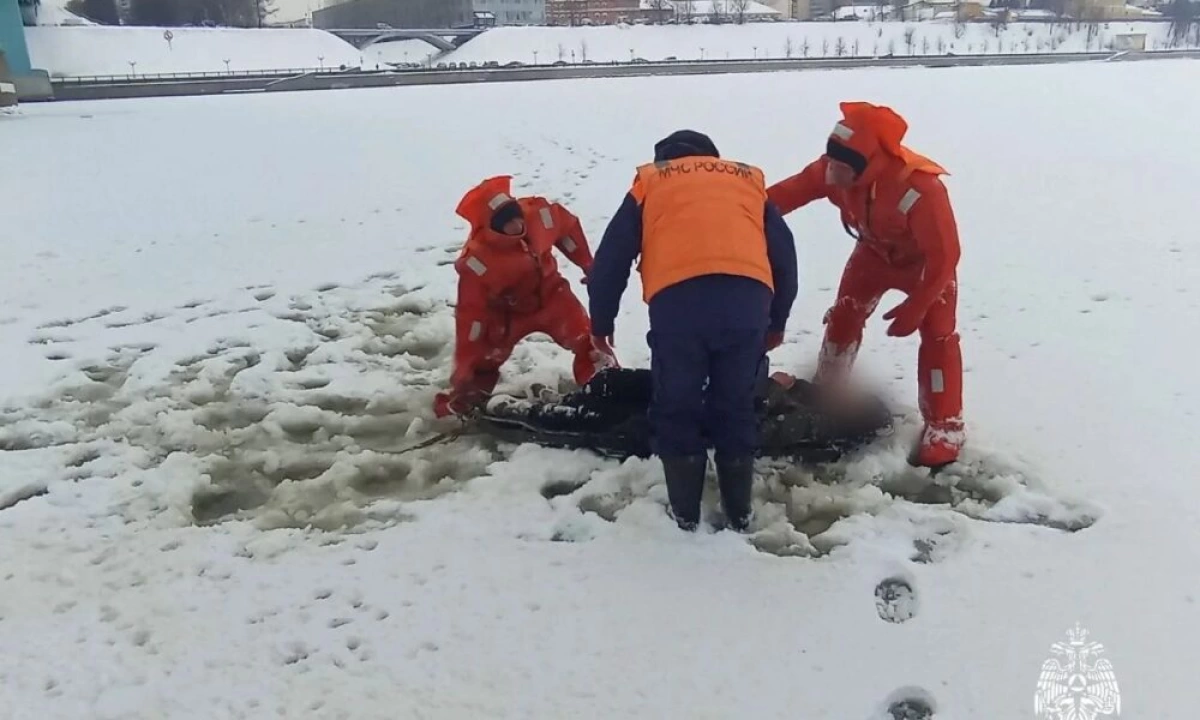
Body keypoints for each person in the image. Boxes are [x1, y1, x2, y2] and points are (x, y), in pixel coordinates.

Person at [587, 130, 798, 532]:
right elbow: (785, 257)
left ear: (666, 158)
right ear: (712, 158)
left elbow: (610, 260)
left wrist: (601, 324)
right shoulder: (747, 181)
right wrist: (777, 321)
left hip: (679, 301)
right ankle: (739, 513)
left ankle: (685, 514)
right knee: (736, 403)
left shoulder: (651, 181)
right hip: (747, 297)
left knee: (677, 403)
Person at [766, 101, 964, 468]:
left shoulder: (921, 189)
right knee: (844, 317)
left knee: (938, 336)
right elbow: (779, 197)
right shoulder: (831, 171)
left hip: (923, 266)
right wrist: (735, 208)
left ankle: (945, 425)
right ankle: (828, 390)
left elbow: (945, 256)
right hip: (872, 255)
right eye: (832, 162)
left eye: (843, 167)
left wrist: (918, 304)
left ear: (869, 165)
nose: (833, 172)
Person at [434, 175, 618, 419]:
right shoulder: (476, 261)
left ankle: (609, 388)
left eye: (515, 215)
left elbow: (568, 228)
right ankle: (460, 407)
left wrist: (588, 265)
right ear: (492, 227)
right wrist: (465, 360)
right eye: (506, 222)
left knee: (589, 340)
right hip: (505, 314)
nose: (516, 224)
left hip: (552, 295)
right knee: (481, 366)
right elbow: (472, 314)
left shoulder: (540, 215)